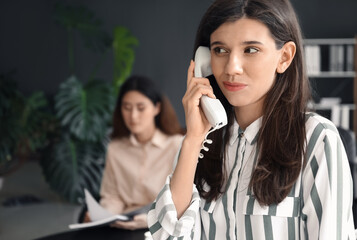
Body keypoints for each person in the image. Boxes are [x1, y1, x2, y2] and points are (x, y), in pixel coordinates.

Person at [147, 0, 356, 239]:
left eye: (250, 50)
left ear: (284, 57)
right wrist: (194, 139)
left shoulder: (317, 139)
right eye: (220, 50)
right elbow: (165, 236)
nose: (232, 67)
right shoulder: (200, 143)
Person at [84, 75, 184, 230]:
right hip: (124, 224)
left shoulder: (177, 145)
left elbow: (184, 198)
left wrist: (150, 219)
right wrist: (103, 215)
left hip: (164, 224)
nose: (133, 116)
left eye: (141, 108)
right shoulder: (116, 148)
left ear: (157, 108)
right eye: (127, 108)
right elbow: (113, 196)